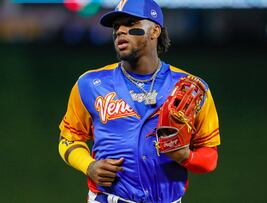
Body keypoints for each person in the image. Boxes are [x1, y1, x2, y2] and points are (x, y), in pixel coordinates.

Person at [58, 0, 221, 202]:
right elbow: (69, 139)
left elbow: (210, 157)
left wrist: (186, 157)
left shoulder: (190, 88)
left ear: (154, 31)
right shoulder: (90, 84)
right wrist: (89, 166)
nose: (120, 31)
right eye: (117, 26)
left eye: (131, 24)